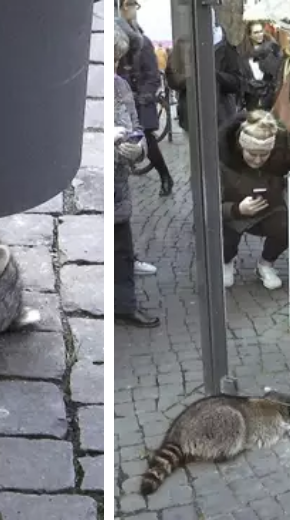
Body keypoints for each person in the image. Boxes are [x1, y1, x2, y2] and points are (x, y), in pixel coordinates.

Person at [114, 18, 159, 328]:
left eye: (119, 58)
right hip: (107, 187)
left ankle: (125, 305)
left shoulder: (120, 85)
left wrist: (137, 148)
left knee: (123, 252)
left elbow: (136, 128)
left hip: (120, 189)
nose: (116, 64)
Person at [218, 110, 290, 290]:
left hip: (269, 210)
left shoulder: (281, 153)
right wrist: (237, 209)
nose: (258, 160)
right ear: (240, 146)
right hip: (233, 212)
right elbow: (209, 206)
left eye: (264, 154)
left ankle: (265, 265)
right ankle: (226, 261)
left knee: (288, 226)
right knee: (224, 231)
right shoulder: (222, 159)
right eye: (252, 153)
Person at [116, 2, 174, 197]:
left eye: (133, 5)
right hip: (122, 99)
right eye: (132, 5)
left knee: (147, 142)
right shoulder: (117, 39)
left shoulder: (144, 43)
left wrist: (142, 97)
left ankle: (165, 176)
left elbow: (153, 77)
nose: (134, 9)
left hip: (141, 102)